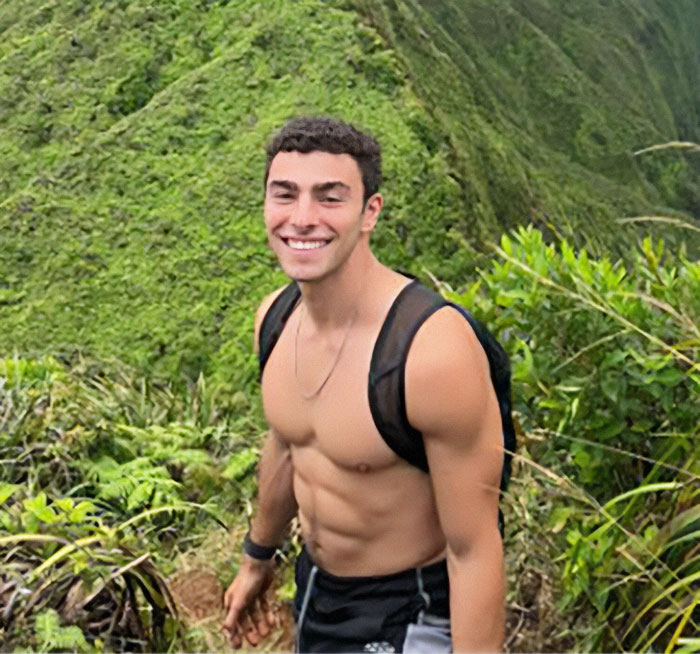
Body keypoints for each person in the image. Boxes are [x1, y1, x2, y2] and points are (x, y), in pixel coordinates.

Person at [222, 117, 505, 653]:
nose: (302, 219)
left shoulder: (429, 352)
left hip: (410, 605)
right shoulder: (275, 321)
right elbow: (288, 445)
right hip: (317, 590)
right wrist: (257, 557)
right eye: (285, 194)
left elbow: (474, 548)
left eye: (330, 198)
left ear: (369, 211)